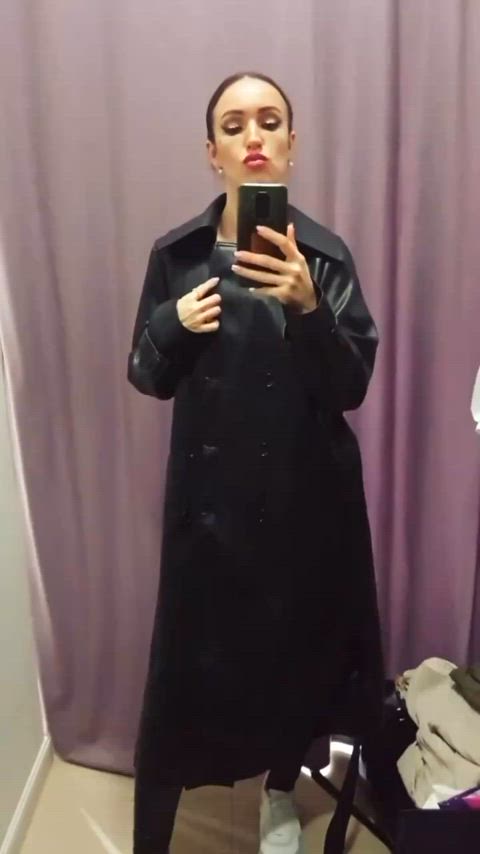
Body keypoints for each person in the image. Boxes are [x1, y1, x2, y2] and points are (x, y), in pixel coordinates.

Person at [128, 72, 384, 854]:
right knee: (187, 682)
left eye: (269, 122)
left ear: (291, 145)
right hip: (207, 514)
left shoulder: (324, 259)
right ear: (214, 152)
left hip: (305, 506)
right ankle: (155, 828)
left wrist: (308, 307)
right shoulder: (176, 257)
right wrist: (171, 323)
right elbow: (146, 375)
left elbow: (350, 388)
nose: (254, 138)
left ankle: (279, 792)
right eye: (234, 126)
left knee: (294, 666)